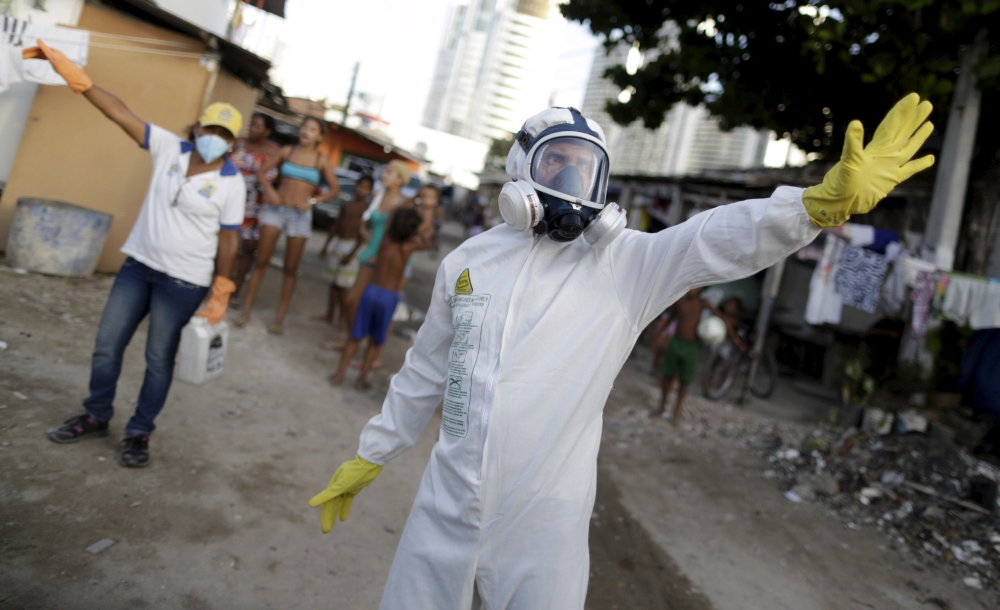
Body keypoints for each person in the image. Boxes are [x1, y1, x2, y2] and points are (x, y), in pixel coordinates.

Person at [309, 98, 936, 609]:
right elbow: (424, 371)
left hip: (543, 518)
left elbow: (713, 237)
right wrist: (373, 453)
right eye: (557, 164)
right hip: (446, 499)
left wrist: (811, 206)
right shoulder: (467, 262)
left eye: (586, 169)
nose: (572, 183)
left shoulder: (625, 264)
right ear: (520, 169)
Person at [30, 41, 244, 468]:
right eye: (210, 130)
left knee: (157, 358)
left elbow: (230, 238)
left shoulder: (232, 182)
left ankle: (139, 434)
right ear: (197, 128)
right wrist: (79, 79)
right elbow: (119, 112)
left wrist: (222, 287)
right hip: (138, 267)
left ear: (231, 142)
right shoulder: (169, 149)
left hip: (184, 282)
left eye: (224, 135)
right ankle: (96, 415)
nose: (214, 139)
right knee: (107, 345)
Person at [234, 116, 338, 334]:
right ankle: (245, 311)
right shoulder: (286, 152)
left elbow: (334, 189)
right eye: (304, 127)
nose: (306, 132)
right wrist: (271, 190)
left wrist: (312, 201)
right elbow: (261, 173)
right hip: (276, 210)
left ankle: (279, 318)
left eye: (312, 129)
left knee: (290, 268)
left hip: (299, 215)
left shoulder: (321, 160)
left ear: (319, 137)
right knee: (261, 261)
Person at [331, 208, 423, 390]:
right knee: (375, 342)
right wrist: (419, 232)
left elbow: (387, 226)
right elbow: (427, 242)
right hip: (389, 296)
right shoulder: (408, 247)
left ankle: (338, 375)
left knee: (354, 338)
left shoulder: (385, 241)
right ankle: (361, 380)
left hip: (371, 290)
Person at [326, 160, 412, 348]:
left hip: (386, 260)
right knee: (351, 301)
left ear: (399, 180)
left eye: (389, 172)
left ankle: (367, 352)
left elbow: (405, 238)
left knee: (377, 306)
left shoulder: (404, 204)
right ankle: (351, 341)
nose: (384, 175)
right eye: (384, 171)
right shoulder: (378, 196)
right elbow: (368, 226)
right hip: (370, 255)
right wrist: (367, 237)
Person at [652, 288, 740, 421]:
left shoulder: (702, 303)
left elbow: (722, 318)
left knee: (685, 380)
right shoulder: (680, 302)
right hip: (676, 342)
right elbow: (671, 319)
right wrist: (660, 334)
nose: (692, 289)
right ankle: (661, 406)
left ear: (700, 288)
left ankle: (676, 411)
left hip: (691, 346)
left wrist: (736, 340)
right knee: (667, 376)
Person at [230, 112, 279, 300]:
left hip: (257, 205)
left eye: (258, 126)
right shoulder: (238, 143)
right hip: (233, 200)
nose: (253, 128)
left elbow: (279, 180)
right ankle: (221, 284)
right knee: (228, 243)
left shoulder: (274, 151)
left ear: (267, 131)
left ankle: (237, 287)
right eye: (252, 124)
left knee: (249, 248)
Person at [317, 175, 374, 325]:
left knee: (344, 287)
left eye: (366, 188)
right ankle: (330, 315)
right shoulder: (346, 205)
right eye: (360, 186)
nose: (361, 190)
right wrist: (326, 246)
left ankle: (343, 320)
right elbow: (337, 225)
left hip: (353, 246)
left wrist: (352, 253)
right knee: (333, 284)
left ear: (370, 191)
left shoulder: (368, 210)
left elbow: (363, 234)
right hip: (338, 244)